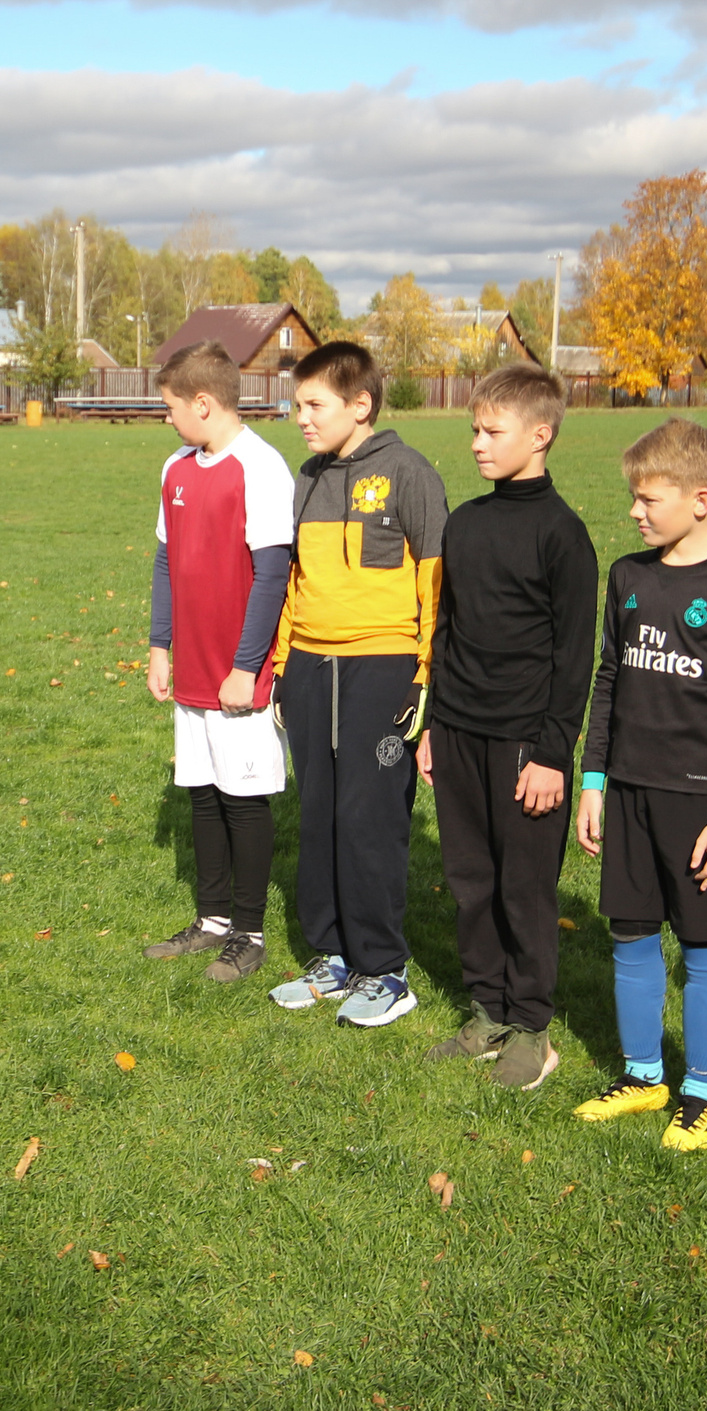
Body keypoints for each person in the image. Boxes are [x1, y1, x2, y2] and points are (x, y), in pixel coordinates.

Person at [572, 418, 707, 1153]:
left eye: (648, 498)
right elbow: (609, 680)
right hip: (625, 791)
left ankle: (703, 1092)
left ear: (699, 499)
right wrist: (593, 780)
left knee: (703, 941)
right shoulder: (627, 577)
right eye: (634, 497)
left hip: (696, 805)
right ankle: (643, 1075)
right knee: (630, 932)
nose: (634, 511)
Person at [418, 361, 597, 1089]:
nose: (477, 443)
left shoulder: (563, 535)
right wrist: (434, 726)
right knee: (470, 881)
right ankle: (488, 1011)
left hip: (527, 745)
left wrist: (552, 754)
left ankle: (531, 1027)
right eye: (475, 430)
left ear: (540, 435)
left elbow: (574, 658)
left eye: (493, 431)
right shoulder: (465, 523)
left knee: (523, 889)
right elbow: (447, 631)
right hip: (459, 732)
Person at [264, 342, 448, 1029]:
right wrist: (283, 666)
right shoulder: (308, 478)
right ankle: (335, 956)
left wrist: (425, 677)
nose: (301, 417)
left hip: (384, 670)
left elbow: (436, 585)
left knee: (370, 818)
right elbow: (295, 581)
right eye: (298, 404)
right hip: (310, 669)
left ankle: (385, 970)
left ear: (360, 404)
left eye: (315, 404)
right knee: (319, 815)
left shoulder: (409, 473)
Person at [139, 341, 296, 984]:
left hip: (238, 673)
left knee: (243, 798)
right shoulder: (175, 467)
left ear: (203, 403)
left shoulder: (262, 468)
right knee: (202, 792)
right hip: (192, 668)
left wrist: (246, 665)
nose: (168, 419)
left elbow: (272, 574)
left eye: (171, 407)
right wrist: (160, 646)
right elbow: (164, 561)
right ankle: (211, 919)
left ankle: (249, 934)